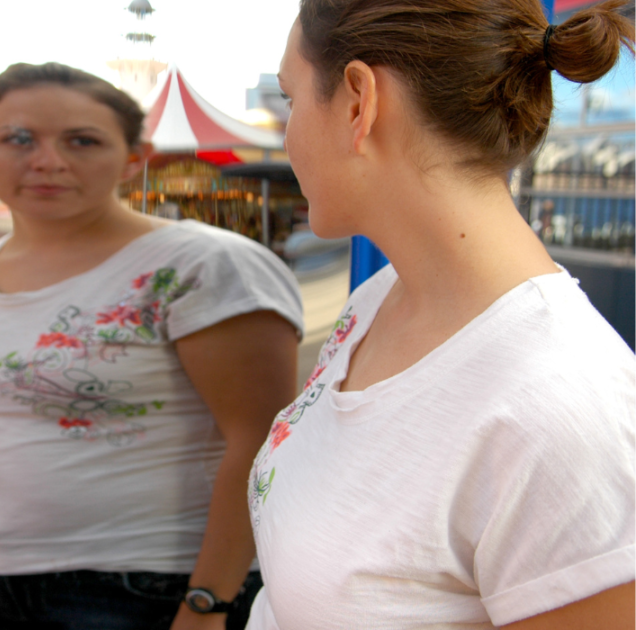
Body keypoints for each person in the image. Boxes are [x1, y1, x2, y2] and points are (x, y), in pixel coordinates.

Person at [248, 1, 635, 628]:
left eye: (291, 100)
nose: (286, 134)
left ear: (356, 102)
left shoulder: (561, 410)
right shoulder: (377, 301)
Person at [0, 62, 304, 630]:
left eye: (82, 141)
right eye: (19, 138)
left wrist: (209, 602)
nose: (48, 161)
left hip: (141, 587)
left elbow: (261, 440)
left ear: (135, 157)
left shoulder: (203, 266)